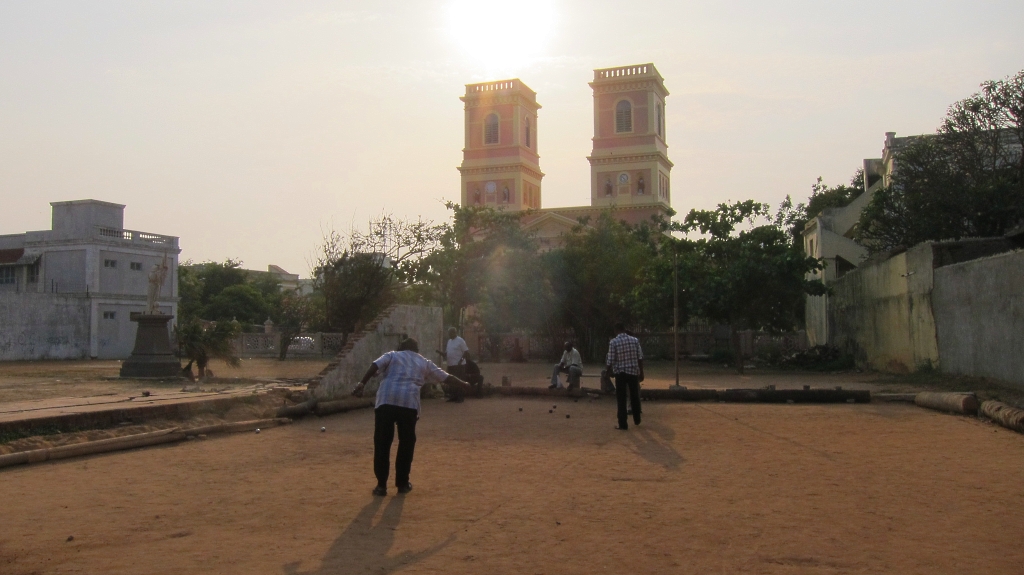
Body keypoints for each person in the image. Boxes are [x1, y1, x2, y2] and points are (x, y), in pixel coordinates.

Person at [353, 337, 469, 497]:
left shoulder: (392, 355)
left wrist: (361, 384)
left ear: (401, 347)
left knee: (382, 443)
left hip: (386, 400)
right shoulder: (424, 362)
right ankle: (402, 484)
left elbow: (375, 365)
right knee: (406, 443)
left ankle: (381, 486)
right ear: (416, 350)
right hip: (408, 403)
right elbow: (445, 377)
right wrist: (464, 384)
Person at [606, 322, 644, 430]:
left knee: (621, 399)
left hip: (620, 373)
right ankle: (637, 419)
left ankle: (623, 424)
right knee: (634, 395)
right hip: (633, 372)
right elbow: (640, 357)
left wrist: (607, 372)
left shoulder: (614, 342)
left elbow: (611, 360)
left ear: (616, 330)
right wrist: (641, 372)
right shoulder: (634, 340)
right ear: (625, 329)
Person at [443, 327, 471, 402]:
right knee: (451, 382)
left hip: (459, 365)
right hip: (451, 364)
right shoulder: (449, 341)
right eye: (449, 333)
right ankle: (453, 396)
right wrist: (443, 354)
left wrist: (460, 361)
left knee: (459, 381)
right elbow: (447, 352)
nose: (449, 335)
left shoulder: (460, 340)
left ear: (455, 333)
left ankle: (460, 397)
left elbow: (466, 352)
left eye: (451, 333)